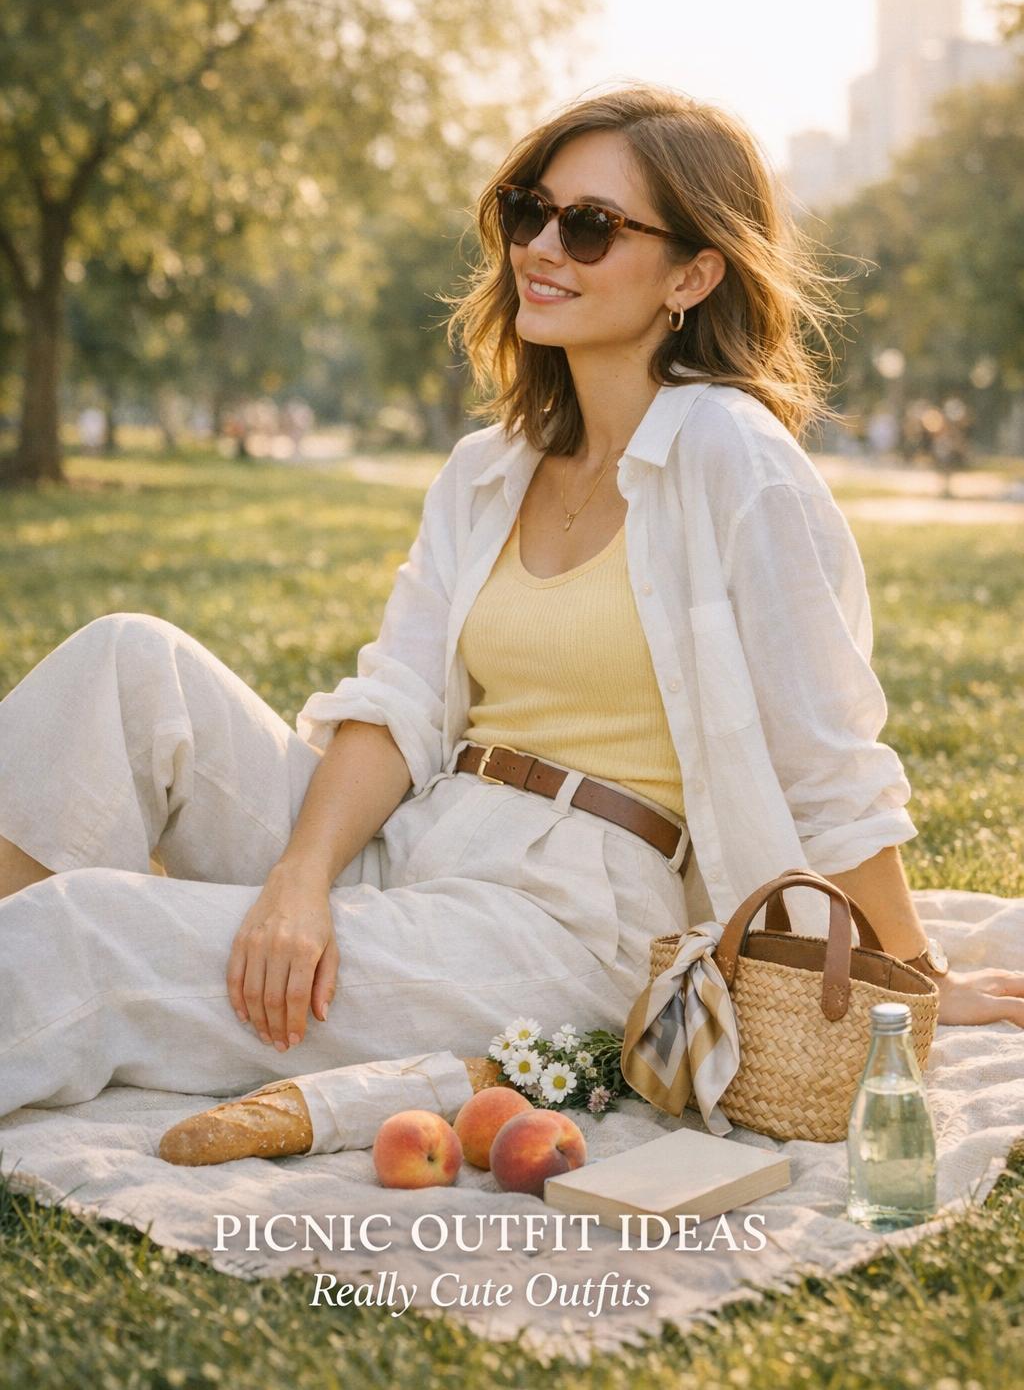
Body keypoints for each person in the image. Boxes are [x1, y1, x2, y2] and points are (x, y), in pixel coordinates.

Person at [2, 86, 1022, 1166]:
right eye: (527, 212)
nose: (542, 247)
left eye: (590, 226)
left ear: (692, 273)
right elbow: (396, 699)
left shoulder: (733, 458)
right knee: (126, 660)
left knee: (93, 934)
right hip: (421, 833)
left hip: (572, 921)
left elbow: (830, 767)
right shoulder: (487, 470)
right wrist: (297, 882)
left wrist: (912, 982)